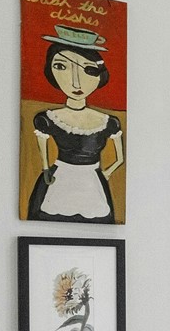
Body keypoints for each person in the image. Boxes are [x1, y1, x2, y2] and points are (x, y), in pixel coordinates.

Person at [27, 25, 125, 222]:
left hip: (92, 182)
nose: (76, 82)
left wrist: (103, 175)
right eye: (61, 67)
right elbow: (43, 153)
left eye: (88, 70)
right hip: (59, 180)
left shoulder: (108, 122)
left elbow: (120, 158)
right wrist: (46, 170)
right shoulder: (48, 118)